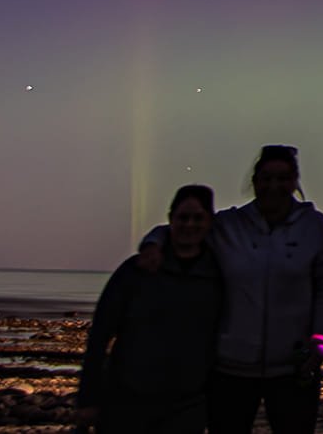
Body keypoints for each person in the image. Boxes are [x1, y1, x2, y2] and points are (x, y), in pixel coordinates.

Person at [144, 144, 323, 434]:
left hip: (294, 368)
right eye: (266, 178)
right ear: (254, 181)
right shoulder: (228, 225)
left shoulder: (315, 226)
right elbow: (179, 229)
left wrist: (320, 339)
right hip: (230, 368)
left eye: (283, 178)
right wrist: (152, 245)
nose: (273, 186)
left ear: (294, 182)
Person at [78, 185, 223, 433]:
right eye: (183, 217)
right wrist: (88, 398)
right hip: (126, 399)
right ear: (170, 220)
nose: (189, 225)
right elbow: (100, 334)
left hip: (187, 405)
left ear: (210, 222)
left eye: (198, 218)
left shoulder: (219, 275)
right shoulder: (137, 270)